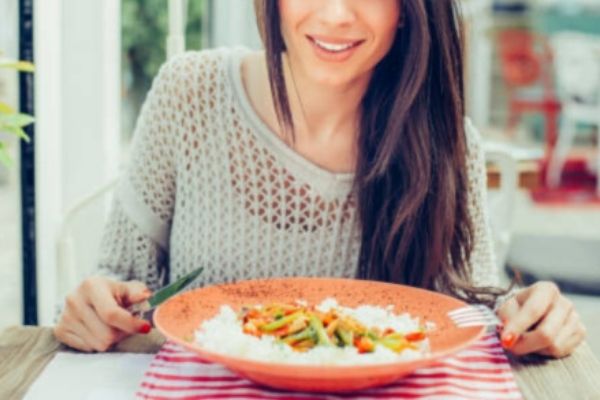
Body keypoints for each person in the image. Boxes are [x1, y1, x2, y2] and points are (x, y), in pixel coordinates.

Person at [54, 0, 585, 357]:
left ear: (410, 12)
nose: (335, 14)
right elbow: (120, 291)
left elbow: (473, 321)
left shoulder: (447, 144)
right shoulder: (188, 95)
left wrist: (530, 320)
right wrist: (95, 309)